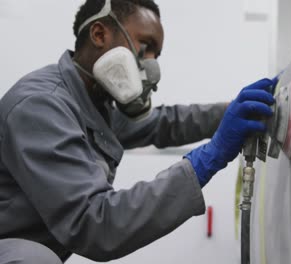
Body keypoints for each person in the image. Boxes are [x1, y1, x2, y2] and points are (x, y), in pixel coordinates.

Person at [0, 0, 276, 263]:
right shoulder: (41, 105)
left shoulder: (94, 106)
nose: (151, 66)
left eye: (156, 55)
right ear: (99, 34)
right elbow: (95, 223)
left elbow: (165, 123)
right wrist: (206, 159)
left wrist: (234, 110)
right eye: (145, 47)